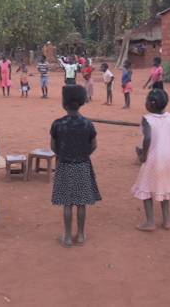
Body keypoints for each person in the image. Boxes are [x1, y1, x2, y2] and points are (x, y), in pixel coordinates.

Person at [51, 85, 101, 248]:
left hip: (64, 165)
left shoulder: (58, 123)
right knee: (81, 203)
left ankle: (66, 237)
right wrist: (84, 154)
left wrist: (62, 154)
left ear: (64, 103)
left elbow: (53, 146)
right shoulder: (87, 123)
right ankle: (80, 235)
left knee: (67, 203)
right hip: (82, 165)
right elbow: (93, 145)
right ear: (82, 102)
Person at [132, 89, 170, 231]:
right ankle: (166, 220)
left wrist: (143, 155)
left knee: (146, 188)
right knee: (165, 188)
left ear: (150, 105)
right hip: (169, 160)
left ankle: (150, 222)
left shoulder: (147, 119)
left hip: (154, 159)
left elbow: (148, 138)